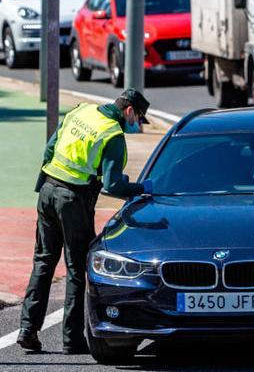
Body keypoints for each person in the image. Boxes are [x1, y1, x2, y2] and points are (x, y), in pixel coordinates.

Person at [17, 89, 153, 354]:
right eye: (137, 118)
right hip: (73, 200)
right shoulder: (112, 134)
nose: (136, 124)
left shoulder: (82, 110)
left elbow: (50, 148)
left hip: (47, 191)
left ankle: (27, 329)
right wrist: (141, 188)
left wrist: (44, 186)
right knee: (77, 270)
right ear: (128, 111)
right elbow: (113, 184)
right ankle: (71, 339)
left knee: (43, 262)